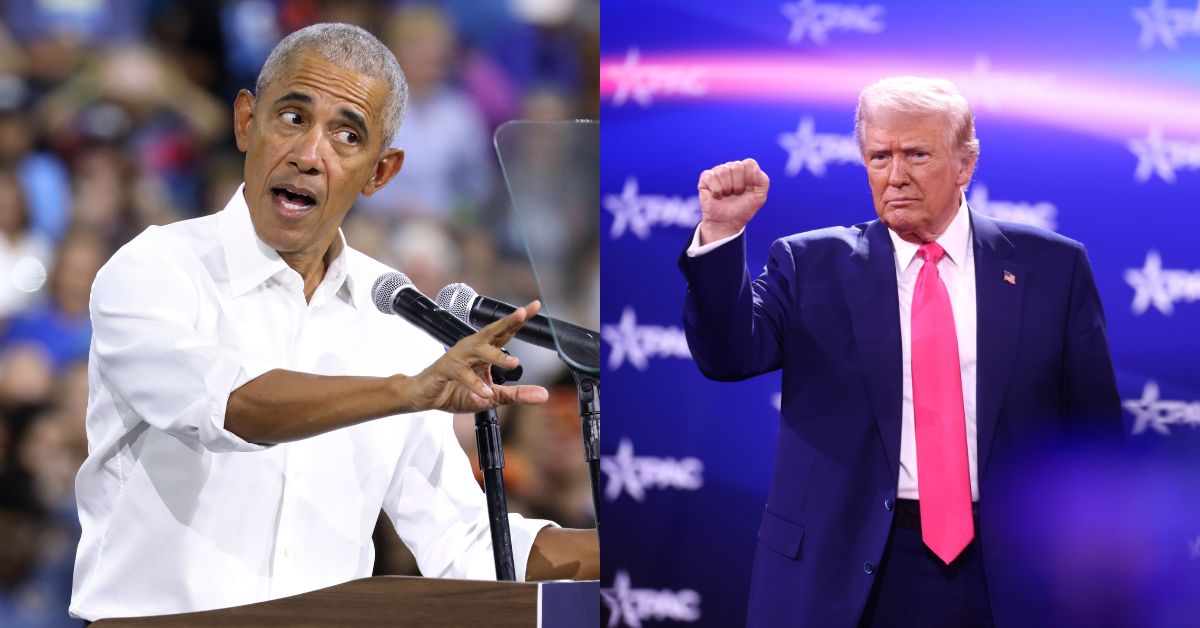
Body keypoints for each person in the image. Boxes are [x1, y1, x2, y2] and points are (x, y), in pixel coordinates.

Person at [69, 23, 597, 622]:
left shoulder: (393, 314)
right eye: (292, 118)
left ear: (381, 172)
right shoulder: (155, 270)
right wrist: (403, 392)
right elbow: (229, 407)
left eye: (348, 135)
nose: (309, 156)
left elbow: (469, 543)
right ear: (247, 122)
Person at [680, 76, 1122, 627]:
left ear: (965, 163)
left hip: (1010, 574)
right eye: (879, 156)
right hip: (842, 567)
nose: (896, 175)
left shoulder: (1051, 268)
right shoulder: (809, 264)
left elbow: (1097, 440)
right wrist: (721, 234)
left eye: (916, 154)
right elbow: (727, 356)